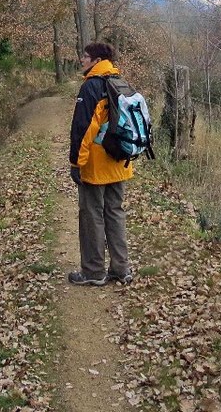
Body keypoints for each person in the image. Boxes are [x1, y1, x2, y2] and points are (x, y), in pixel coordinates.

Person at [67, 41, 134, 286]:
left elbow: (83, 129)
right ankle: (121, 268)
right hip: (120, 161)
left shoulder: (91, 87)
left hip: (96, 164)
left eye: (85, 57)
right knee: (115, 212)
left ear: (96, 60)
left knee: (92, 214)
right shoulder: (120, 83)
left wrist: (76, 163)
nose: (81, 60)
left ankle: (93, 271)